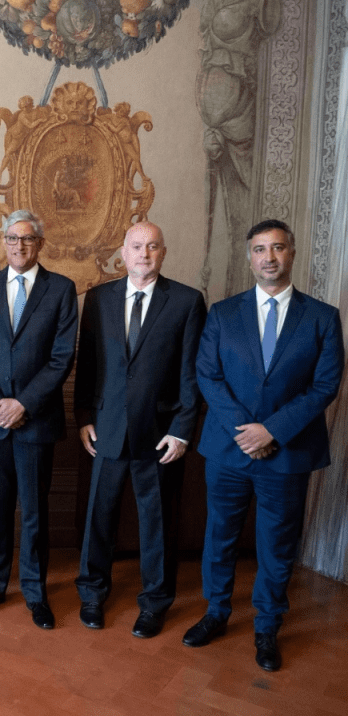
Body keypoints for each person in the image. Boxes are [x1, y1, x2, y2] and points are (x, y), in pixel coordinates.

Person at [185, 219, 344, 672]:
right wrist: (245, 430)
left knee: (277, 545)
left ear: (292, 253)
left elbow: (325, 385)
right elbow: (208, 376)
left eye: (277, 248)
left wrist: (272, 430)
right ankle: (216, 613)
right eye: (259, 249)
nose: (268, 258)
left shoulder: (322, 317)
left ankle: (267, 627)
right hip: (228, 450)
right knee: (219, 537)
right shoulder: (222, 313)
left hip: (288, 452)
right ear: (249, 256)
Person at [73, 222, 206, 637]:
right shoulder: (98, 299)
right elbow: (88, 365)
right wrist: (83, 417)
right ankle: (92, 594)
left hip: (160, 434)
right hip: (106, 429)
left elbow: (192, 373)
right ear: (123, 252)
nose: (144, 253)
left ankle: (154, 603)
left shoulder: (186, 301)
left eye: (152, 246)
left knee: (158, 521)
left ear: (162, 252)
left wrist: (183, 429)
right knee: (99, 515)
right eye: (136, 246)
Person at [0, 209, 77, 629]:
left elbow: (62, 357)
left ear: (39, 243)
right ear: (3, 242)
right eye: (12, 239)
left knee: (34, 511)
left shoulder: (61, 290)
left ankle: (35, 592)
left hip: (36, 420)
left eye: (27, 239)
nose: (19, 246)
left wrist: (22, 403)